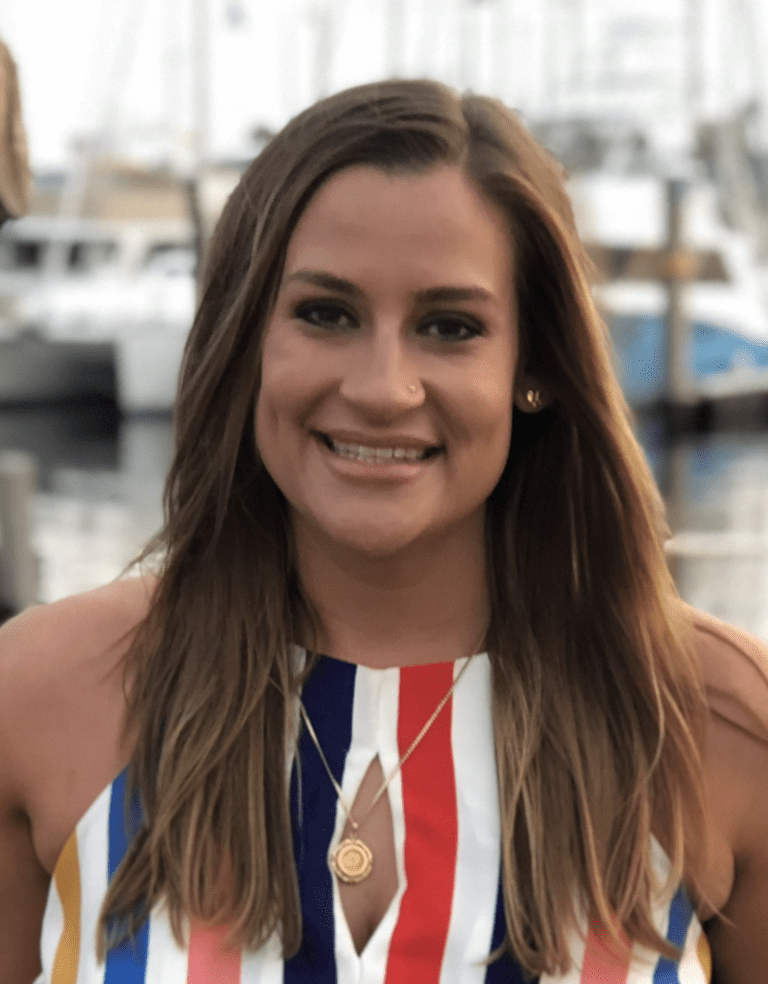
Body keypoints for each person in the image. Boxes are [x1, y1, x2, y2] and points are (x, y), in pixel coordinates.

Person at [1, 78, 766, 984]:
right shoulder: (40, 695)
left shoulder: (714, 723)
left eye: (450, 327)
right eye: (326, 314)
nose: (381, 388)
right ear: (246, 340)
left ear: (533, 366)